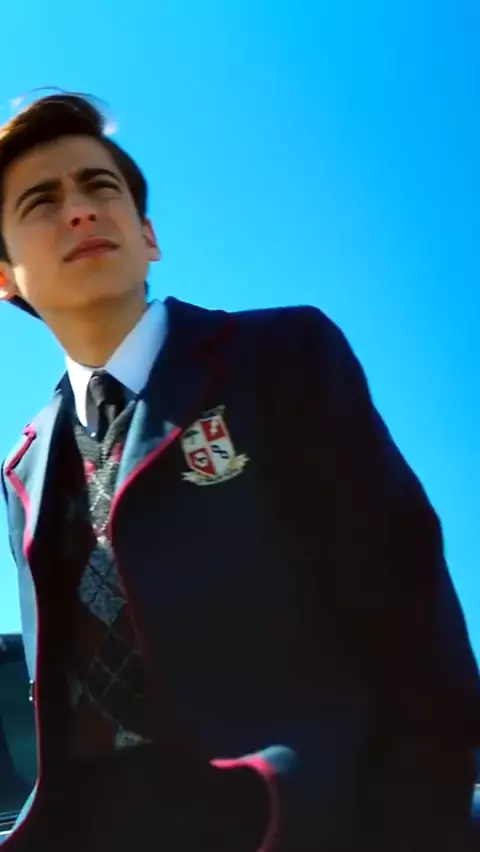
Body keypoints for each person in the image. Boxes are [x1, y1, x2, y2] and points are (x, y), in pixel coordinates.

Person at [0, 92, 478, 852]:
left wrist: (417, 820)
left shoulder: (280, 357)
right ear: (5, 277)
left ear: (148, 235)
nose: (81, 210)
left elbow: (405, 602)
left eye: (100, 187)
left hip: (292, 820)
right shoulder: (24, 467)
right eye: (41, 201)